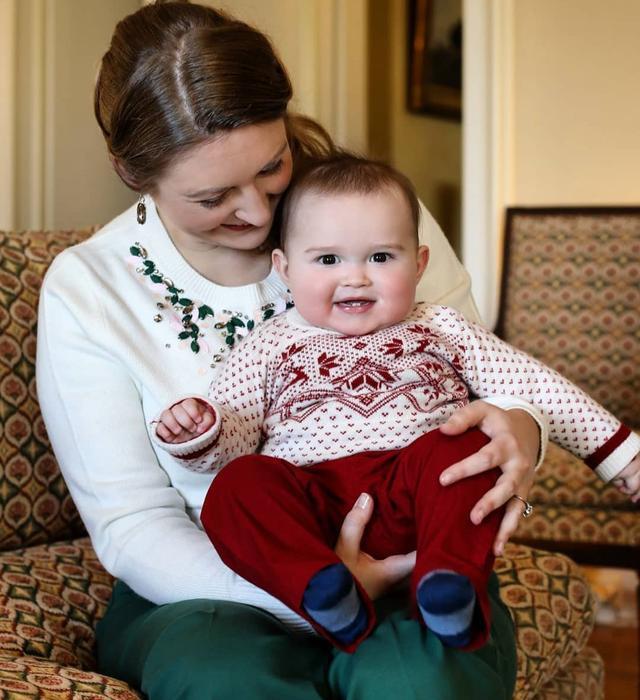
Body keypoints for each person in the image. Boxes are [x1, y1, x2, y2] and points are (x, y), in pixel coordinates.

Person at [36, 2, 551, 698]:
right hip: (206, 586)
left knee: (417, 682)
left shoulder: (373, 213)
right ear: (134, 173)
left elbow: (484, 380)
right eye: (215, 196)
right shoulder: (89, 288)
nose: (255, 210)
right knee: (229, 685)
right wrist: (305, 597)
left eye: (272, 167)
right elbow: (133, 525)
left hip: (409, 554)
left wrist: (524, 429)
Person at [153, 154, 640, 656]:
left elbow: (533, 385)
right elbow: (234, 440)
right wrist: (201, 431)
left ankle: (448, 584)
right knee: (235, 489)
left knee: (470, 445)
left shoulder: (440, 326)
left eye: (381, 257)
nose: (356, 278)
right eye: (327, 260)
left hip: (420, 492)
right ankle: (321, 589)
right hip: (314, 503)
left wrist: (624, 457)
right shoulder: (268, 344)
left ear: (419, 262)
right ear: (285, 269)